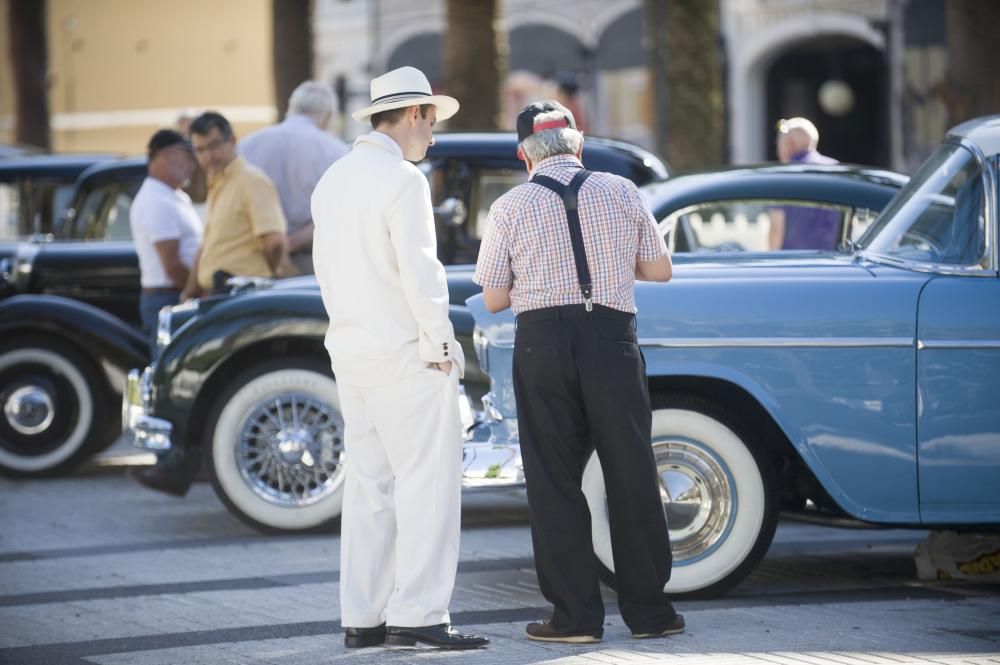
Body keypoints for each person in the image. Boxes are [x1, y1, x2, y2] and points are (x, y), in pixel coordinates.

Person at [474, 101, 683, 644]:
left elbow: (494, 297)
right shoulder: (622, 191)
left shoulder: (509, 206)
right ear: (579, 144)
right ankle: (652, 614)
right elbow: (659, 269)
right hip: (612, 340)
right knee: (631, 471)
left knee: (555, 481)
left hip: (542, 343)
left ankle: (575, 619)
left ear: (524, 154)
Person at [311, 66, 488, 651]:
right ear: (413, 114)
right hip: (405, 355)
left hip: (351, 352)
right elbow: (421, 272)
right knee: (428, 486)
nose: (433, 136)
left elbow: (327, 274)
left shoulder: (333, 179)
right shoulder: (401, 179)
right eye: (431, 121)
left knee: (369, 487)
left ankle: (362, 618)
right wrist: (442, 345)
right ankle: (418, 614)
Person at [239, 81, 348, 275]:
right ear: (328, 116)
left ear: (292, 108)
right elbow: (339, 213)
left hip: (254, 261)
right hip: (311, 263)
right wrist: (290, 244)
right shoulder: (336, 151)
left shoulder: (247, 144)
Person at [181, 111, 288, 300]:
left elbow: (275, 243)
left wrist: (265, 275)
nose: (208, 156)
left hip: (244, 294)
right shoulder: (217, 180)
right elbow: (207, 245)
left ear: (232, 141)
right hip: (221, 294)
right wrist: (190, 291)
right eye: (200, 150)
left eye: (214, 146)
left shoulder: (251, 181)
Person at [129, 129, 203, 347]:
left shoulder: (171, 196)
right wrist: (199, 288)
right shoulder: (156, 201)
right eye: (186, 156)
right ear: (164, 156)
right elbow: (172, 266)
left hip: (175, 294)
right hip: (169, 297)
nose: (192, 163)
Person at [769, 116, 841, 250]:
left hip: (796, 263)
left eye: (779, 143)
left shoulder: (783, 176)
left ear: (790, 144)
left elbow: (776, 230)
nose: (777, 150)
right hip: (834, 261)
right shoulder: (836, 169)